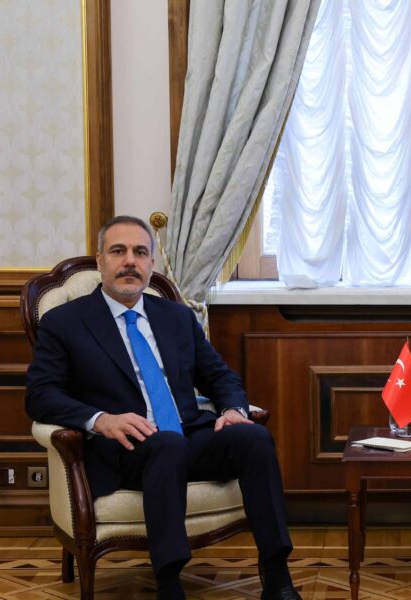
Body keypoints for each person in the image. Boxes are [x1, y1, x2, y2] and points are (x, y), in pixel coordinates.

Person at [26, 215, 301, 600]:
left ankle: (277, 577)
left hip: (188, 436)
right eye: (118, 251)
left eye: (140, 253)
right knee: (167, 445)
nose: (130, 261)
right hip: (124, 449)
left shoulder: (176, 317)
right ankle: (169, 584)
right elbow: (40, 394)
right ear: (100, 260)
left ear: (151, 264)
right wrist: (101, 420)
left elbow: (219, 377)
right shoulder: (65, 322)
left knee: (253, 438)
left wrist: (232, 411)